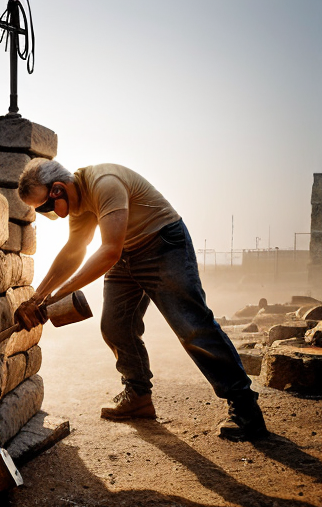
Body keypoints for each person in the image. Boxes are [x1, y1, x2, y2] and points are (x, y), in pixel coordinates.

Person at [14, 158, 268, 441]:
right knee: (115, 326)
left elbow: (108, 251)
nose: (52, 217)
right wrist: (37, 298)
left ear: (58, 190)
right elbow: (74, 250)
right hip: (126, 255)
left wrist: (58, 295)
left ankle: (246, 410)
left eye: (47, 210)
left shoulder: (105, 183)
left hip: (162, 245)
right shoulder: (79, 204)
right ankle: (138, 397)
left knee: (192, 327)